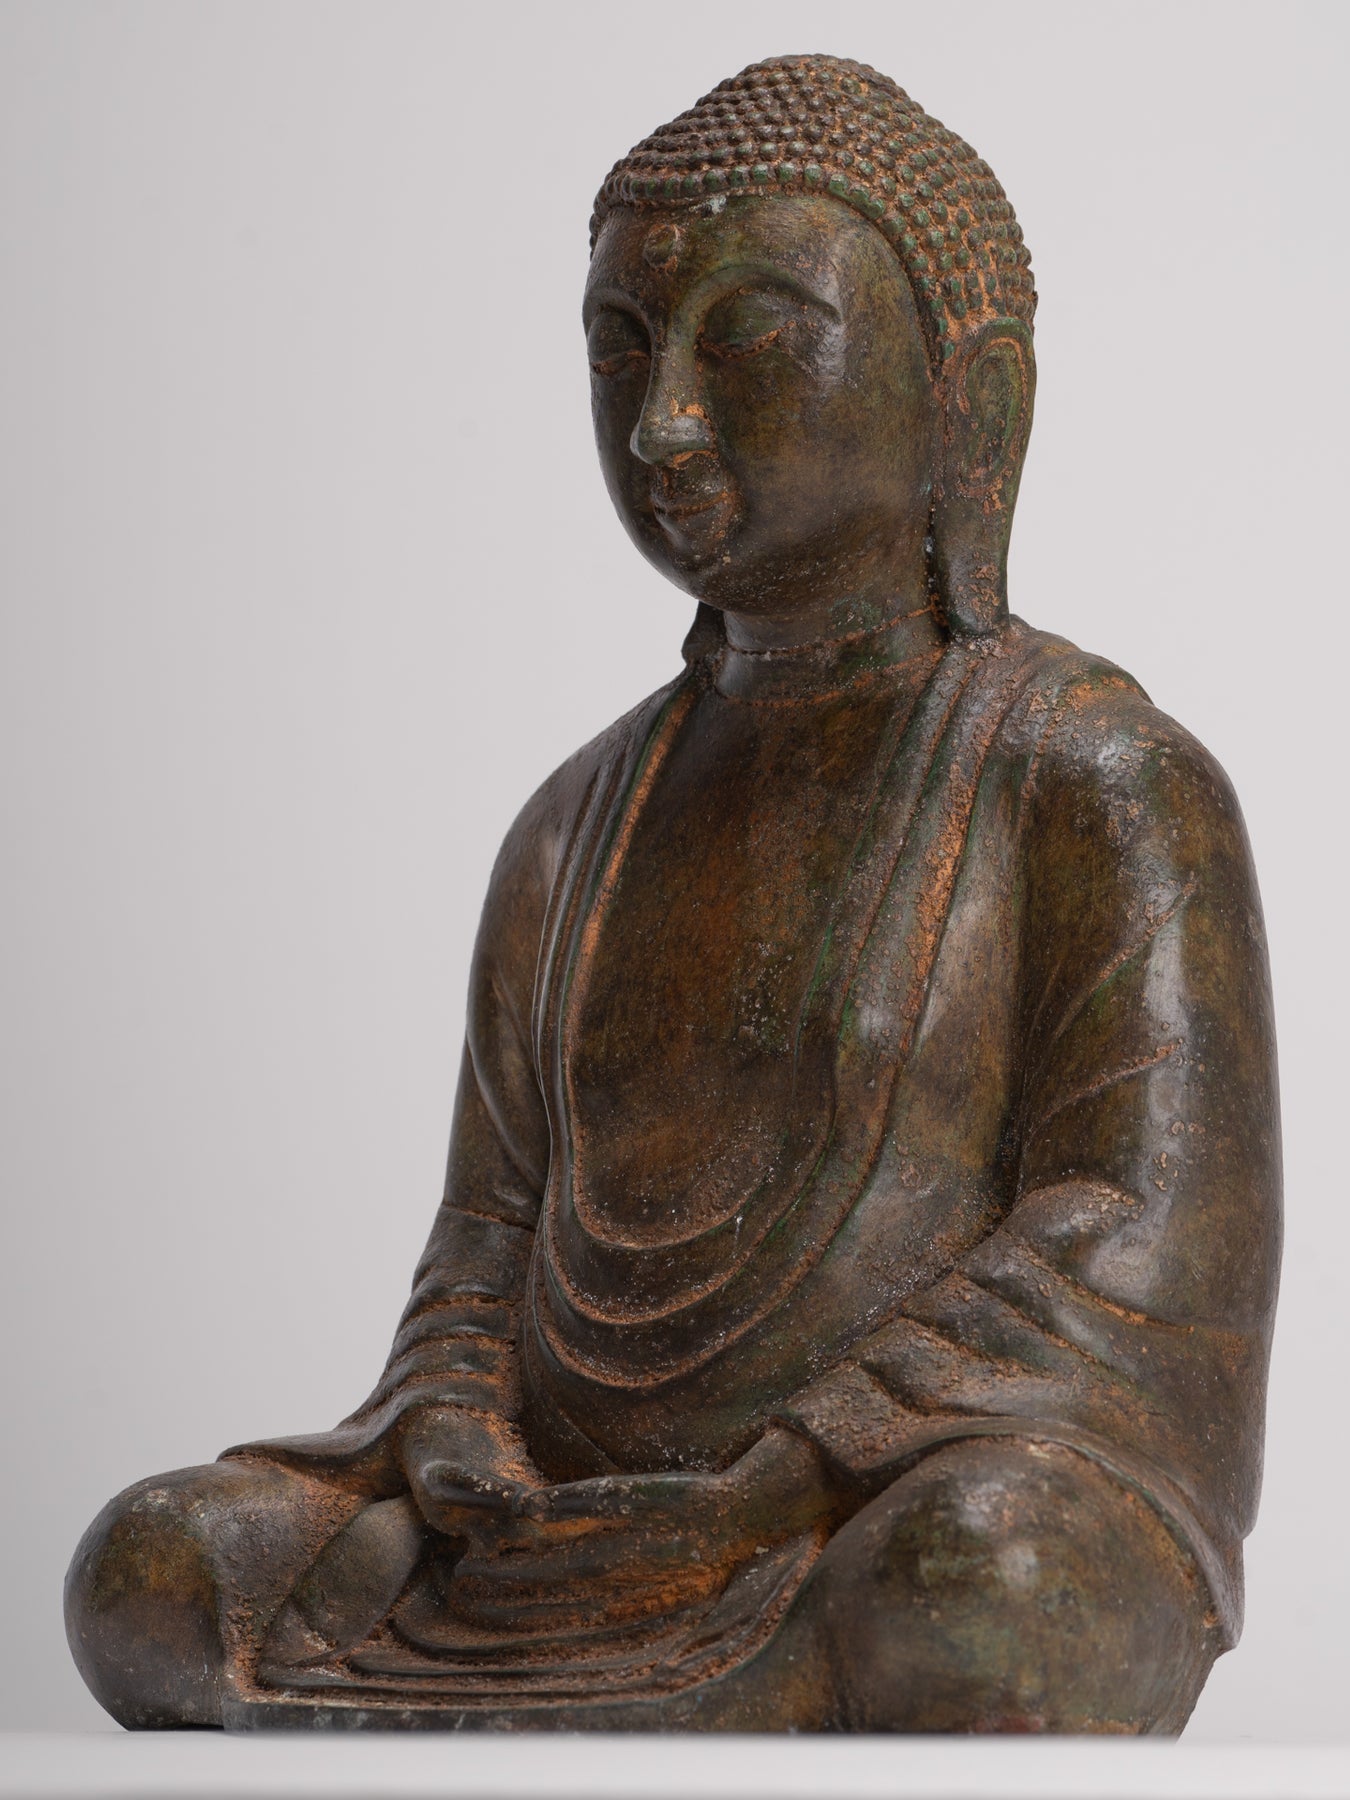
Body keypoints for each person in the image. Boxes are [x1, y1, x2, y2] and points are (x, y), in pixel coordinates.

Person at [67, 54, 1281, 1734]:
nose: (664, 425)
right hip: (553, 1529)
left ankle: (733, 1654)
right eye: (623, 351)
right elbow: (490, 1233)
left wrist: (783, 1482)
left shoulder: (1093, 780)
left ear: (971, 400)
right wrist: (456, 1429)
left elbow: (1138, 1242)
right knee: (154, 1571)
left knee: (987, 1584)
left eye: (752, 337)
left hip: (865, 1516)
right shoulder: (578, 823)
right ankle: (672, 1677)